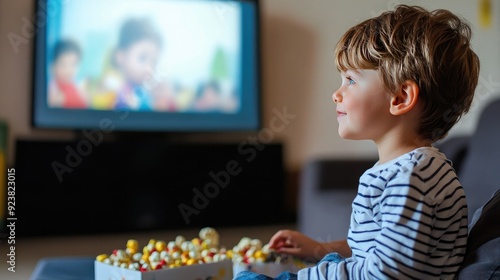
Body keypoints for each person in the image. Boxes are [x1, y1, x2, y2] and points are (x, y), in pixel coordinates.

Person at [235, 4, 480, 280]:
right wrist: (320, 249)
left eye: (350, 80)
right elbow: (378, 249)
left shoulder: (410, 178)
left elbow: (386, 273)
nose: (336, 95)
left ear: (400, 98)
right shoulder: (413, 168)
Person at [112, 17, 163, 111]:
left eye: (154, 62)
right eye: (142, 58)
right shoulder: (114, 89)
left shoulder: (147, 92)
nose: (149, 68)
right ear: (121, 56)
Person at [48, 39, 88, 109]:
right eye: (63, 65)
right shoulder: (53, 90)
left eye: (73, 64)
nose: (69, 70)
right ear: (53, 67)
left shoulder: (76, 87)